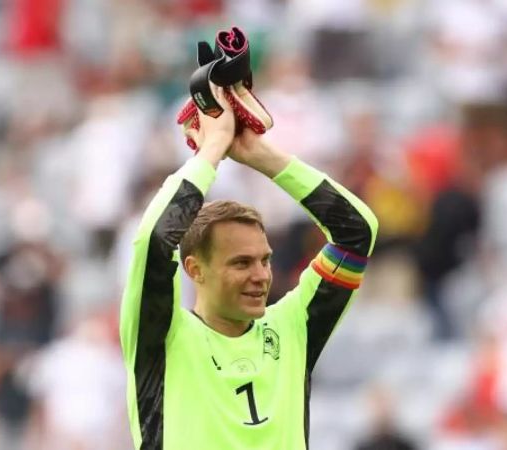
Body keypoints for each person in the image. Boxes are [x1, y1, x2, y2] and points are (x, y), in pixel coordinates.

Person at [119, 85, 379, 449]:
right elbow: (155, 240)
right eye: (241, 263)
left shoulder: (293, 329)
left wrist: (260, 155)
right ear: (194, 269)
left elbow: (357, 232)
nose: (260, 275)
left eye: (265, 260)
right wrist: (213, 147)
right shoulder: (162, 337)